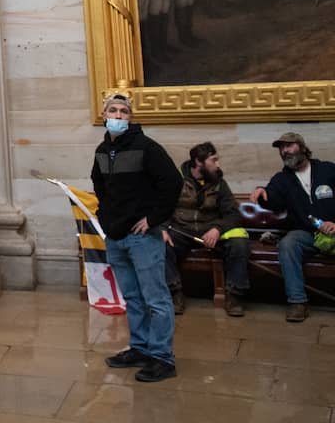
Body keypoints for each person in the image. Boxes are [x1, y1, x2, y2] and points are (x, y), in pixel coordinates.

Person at [91, 92, 181, 382]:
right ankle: (141, 348)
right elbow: (99, 183)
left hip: (142, 236)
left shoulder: (147, 147)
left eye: (123, 112)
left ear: (130, 117)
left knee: (156, 298)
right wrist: (105, 215)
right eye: (113, 111)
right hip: (115, 235)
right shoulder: (102, 151)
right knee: (132, 297)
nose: (118, 116)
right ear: (104, 115)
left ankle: (162, 357)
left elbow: (172, 182)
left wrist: (154, 219)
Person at [249, 132, 335, 323]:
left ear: (303, 147)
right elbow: (273, 199)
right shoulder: (282, 179)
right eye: (281, 148)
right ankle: (297, 302)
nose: (284, 151)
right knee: (288, 244)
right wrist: (262, 193)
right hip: (307, 234)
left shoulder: (328, 170)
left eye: (289, 145)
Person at [163, 142, 250, 316]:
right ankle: (175, 293)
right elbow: (162, 208)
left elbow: (233, 214)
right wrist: (162, 229)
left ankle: (234, 295)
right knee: (159, 244)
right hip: (182, 229)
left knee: (239, 243)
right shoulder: (176, 181)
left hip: (211, 230)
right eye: (213, 160)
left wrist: (218, 229)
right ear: (198, 162)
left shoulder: (220, 183)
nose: (217, 165)